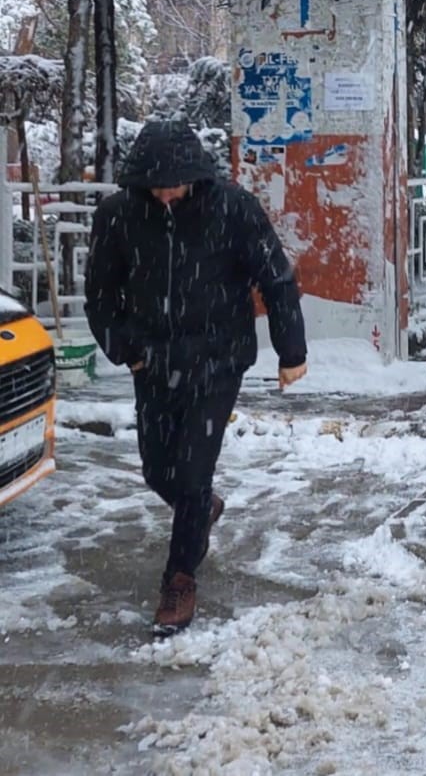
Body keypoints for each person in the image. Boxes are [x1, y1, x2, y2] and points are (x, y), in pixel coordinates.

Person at [85, 121, 307, 636]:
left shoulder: (233, 209)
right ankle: (201, 509)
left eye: (174, 182)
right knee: (157, 470)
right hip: (152, 361)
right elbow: (100, 291)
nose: (165, 191)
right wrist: (125, 351)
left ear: (194, 176)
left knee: (190, 470)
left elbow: (275, 278)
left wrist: (290, 350)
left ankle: (179, 577)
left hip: (217, 358)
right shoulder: (118, 216)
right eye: (155, 184)